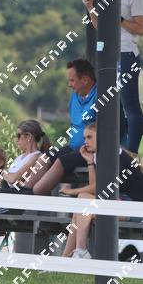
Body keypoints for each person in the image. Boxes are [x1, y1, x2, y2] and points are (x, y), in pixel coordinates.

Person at [83, 0, 143, 152]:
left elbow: (141, 28)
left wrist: (121, 20)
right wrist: (90, 7)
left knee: (129, 104)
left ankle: (131, 152)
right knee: (112, 105)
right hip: (109, 53)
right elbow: (99, 26)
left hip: (126, 53)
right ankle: (117, 150)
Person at [61, 123, 143, 258]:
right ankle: (72, 255)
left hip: (135, 209)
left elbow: (96, 188)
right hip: (119, 203)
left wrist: (71, 191)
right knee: (81, 207)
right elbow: (95, 186)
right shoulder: (100, 155)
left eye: (89, 137)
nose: (85, 141)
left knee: (82, 201)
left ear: (102, 137)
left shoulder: (113, 155)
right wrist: (89, 162)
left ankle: (77, 253)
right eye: (84, 138)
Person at [32, 59, 98, 195]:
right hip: (73, 147)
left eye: (72, 80)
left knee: (60, 162)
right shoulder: (75, 96)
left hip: (89, 151)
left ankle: (34, 193)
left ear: (85, 80)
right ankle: (25, 189)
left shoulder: (101, 96)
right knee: (44, 157)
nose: (69, 84)